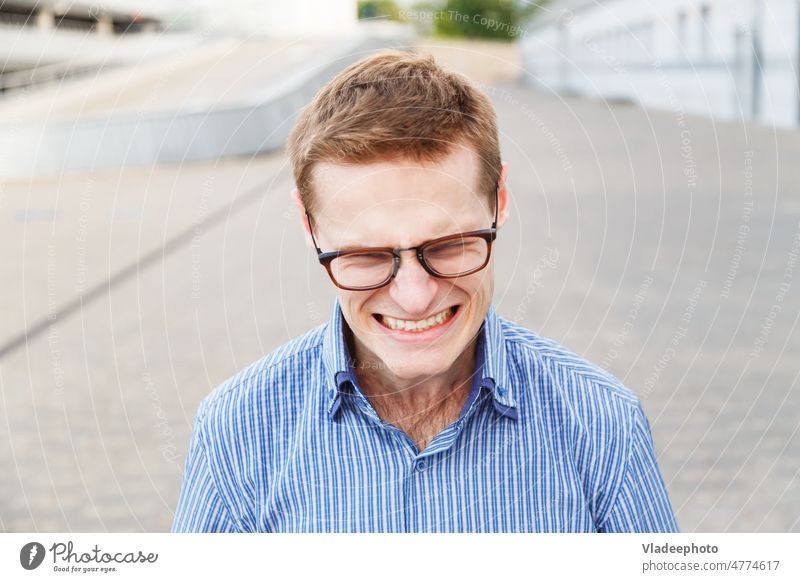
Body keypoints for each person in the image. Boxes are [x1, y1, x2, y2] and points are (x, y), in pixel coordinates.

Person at [172, 50, 679, 533]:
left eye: (450, 245)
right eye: (366, 256)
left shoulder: (604, 425)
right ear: (310, 228)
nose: (414, 298)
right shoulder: (236, 432)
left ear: (499, 201)